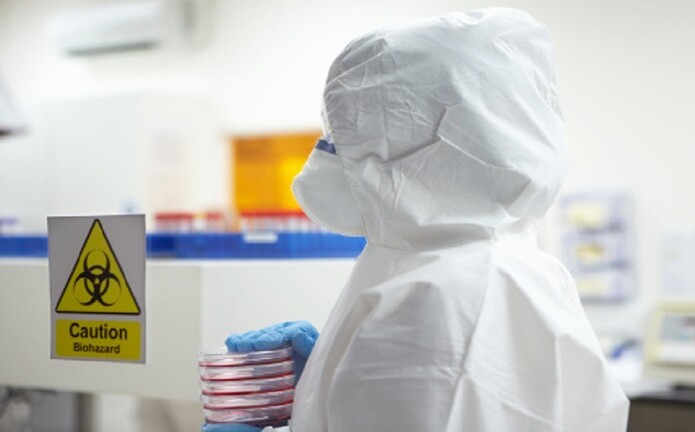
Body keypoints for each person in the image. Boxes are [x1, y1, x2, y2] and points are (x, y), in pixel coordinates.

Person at [206, 8, 629, 432]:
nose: (328, 149)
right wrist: (328, 378)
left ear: (417, 143)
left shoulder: (434, 294)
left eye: (346, 133)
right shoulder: (505, 265)